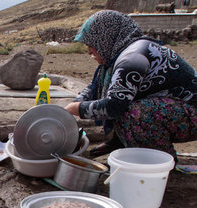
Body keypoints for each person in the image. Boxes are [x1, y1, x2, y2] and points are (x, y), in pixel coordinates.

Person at [64, 10, 197, 159]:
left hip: (192, 112)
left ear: (105, 38)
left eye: (91, 45)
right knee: (124, 102)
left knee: (134, 113)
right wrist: (72, 105)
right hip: (177, 110)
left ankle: (158, 161)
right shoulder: (116, 56)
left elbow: (114, 105)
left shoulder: (133, 58)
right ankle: (121, 142)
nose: (89, 51)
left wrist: (75, 109)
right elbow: (94, 88)